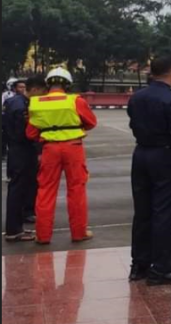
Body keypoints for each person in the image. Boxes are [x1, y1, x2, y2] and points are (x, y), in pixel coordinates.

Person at [127, 56, 171, 284]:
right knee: (164, 214)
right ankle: (162, 268)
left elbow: (133, 124)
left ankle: (139, 265)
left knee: (142, 212)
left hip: (142, 153)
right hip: (166, 157)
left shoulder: (137, 97)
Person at [26, 67, 97, 246]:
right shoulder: (75, 101)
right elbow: (91, 122)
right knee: (76, 190)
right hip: (73, 148)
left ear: (48, 84)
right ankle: (79, 233)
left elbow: (31, 133)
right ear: (67, 84)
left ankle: (42, 236)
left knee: (45, 191)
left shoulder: (37, 103)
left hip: (49, 149)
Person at [4, 77, 44, 241]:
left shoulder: (14, 102)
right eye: (42, 92)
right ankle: (13, 231)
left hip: (15, 149)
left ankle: (17, 227)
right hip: (22, 151)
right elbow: (25, 133)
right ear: (34, 89)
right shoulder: (22, 106)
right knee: (18, 190)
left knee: (20, 189)